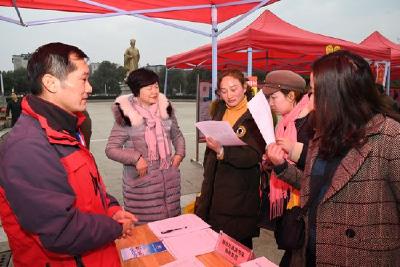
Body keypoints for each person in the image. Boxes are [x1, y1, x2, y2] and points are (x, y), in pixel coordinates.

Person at [0, 42, 136, 267]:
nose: (90, 88)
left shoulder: (68, 128)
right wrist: (115, 227)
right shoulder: (27, 147)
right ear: (51, 83)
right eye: (83, 79)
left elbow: (92, 187)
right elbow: (60, 231)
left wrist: (111, 209)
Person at [267, 50, 400, 266]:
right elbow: (318, 190)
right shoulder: (322, 135)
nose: (309, 100)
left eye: (314, 91)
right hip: (312, 254)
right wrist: (282, 167)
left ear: (337, 94)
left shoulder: (390, 137)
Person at [195, 69, 266, 249]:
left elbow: (254, 154)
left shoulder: (256, 115)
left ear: (244, 87)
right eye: (223, 91)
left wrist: (223, 151)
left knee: (236, 250)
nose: (229, 95)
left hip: (239, 197)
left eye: (234, 89)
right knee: (213, 251)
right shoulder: (219, 109)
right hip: (214, 191)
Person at [106, 68, 185, 224]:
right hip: (143, 190)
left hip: (170, 184)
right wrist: (136, 158)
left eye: (156, 86)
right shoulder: (128, 116)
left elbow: (177, 135)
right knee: (147, 239)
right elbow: (111, 149)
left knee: (171, 232)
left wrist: (179, 155)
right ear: (137, 90)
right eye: (149, 87)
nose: (154, 91)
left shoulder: (165, 110)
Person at [262, 70, 314, 266]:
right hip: (288, 201)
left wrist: (281, 163)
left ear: (291, 96)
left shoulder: (308, 124)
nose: (270, 104)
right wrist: (270, 163)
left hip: (301, 206)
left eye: (274, 97)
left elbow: (312, 172)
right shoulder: (284, 123)